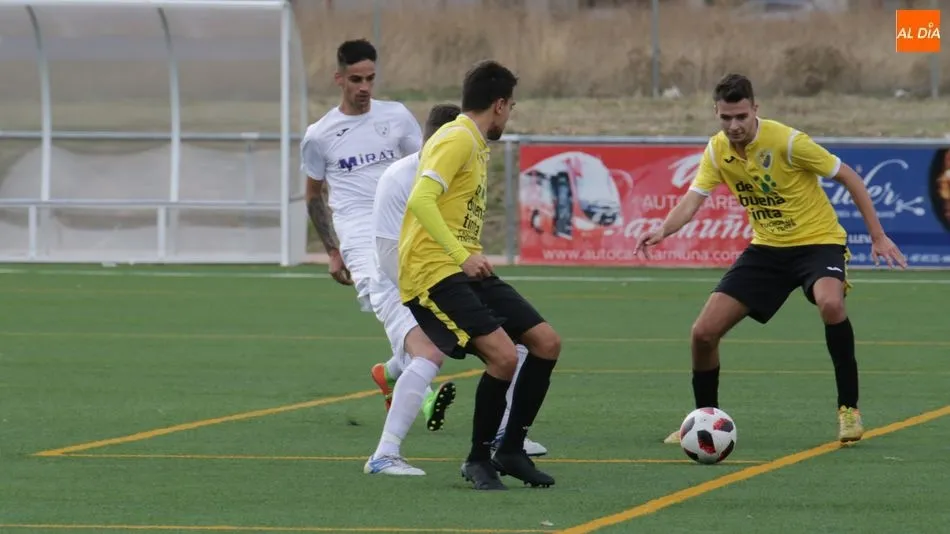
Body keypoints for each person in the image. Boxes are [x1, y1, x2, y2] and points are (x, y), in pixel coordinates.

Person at [635, 73, 907, 445]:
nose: (734, 126)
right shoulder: (717, 150)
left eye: (741, 117)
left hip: (818, 243)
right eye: (726, 118)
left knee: (830, 304)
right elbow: (693, 198)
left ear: (755, 110)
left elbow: (850, 178)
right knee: (703, 333)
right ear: (716, 113)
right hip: (767, 249)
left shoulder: (788, 141)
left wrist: (877, 236)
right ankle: (704, 420)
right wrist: (664, 230)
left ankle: (848, 410)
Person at [398, 60, 560, 491]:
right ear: (501, 104)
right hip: (433, 273)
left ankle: (510, 450)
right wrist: (460, 255)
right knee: (504, 357)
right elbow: (421, 200)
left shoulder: (473, 142)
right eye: (512, 107)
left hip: (463, 266)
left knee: (545, 342)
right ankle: (477, 459)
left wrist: (470, 253)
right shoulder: (456, 138)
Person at [364, 103, 549, 476]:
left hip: (446, 279)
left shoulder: (460, 169)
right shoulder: (401, 178)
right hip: (399, 283)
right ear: (434, 140)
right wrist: (428, 300)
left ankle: (503, 436)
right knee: (431, 353)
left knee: (518, 344)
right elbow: (387, 252)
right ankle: (384, 454)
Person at [300, 39, 443, 420]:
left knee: (425, 306)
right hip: (360, 233)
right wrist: (332, 251)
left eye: (370, 79)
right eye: (356, 79)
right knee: (389, 298)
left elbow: (424, 166)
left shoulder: (396, 117)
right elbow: (313, 195)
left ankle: (390, 373)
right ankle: (424, 393)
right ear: (339, 79)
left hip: (403, 225)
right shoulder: (320, 134)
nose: (364, 88)